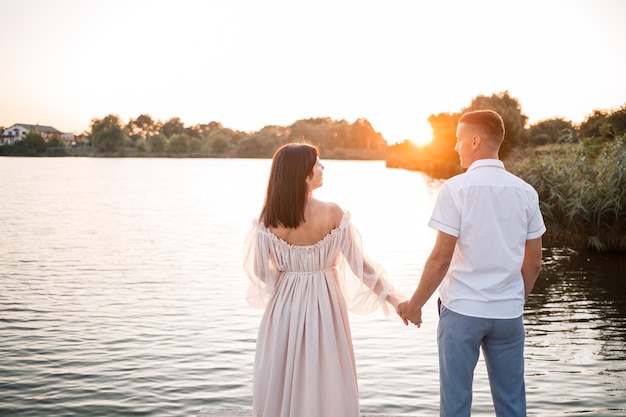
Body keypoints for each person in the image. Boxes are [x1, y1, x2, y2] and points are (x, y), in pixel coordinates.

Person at [398, 110, 545, 416]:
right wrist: (515, 299)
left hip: (462, 311)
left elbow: (441, 258)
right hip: (507, 315)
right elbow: (533, 263)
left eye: (459, 139)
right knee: (512, 403)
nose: (456, 147)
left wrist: (415, 304)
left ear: (476, 141)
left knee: (455, 404)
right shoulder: (526, 192)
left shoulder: (455, 189)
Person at [243, 142, 406, 417]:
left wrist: (288, 278)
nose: (323, 168)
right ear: (304, 174)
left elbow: (261, 272)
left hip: (284, 306)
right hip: (324, 305)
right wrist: (394, 298)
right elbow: (360, 267)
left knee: (283, 370)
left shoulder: (268, 218)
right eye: (318, 163)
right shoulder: (332, 213)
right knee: (326, 370)